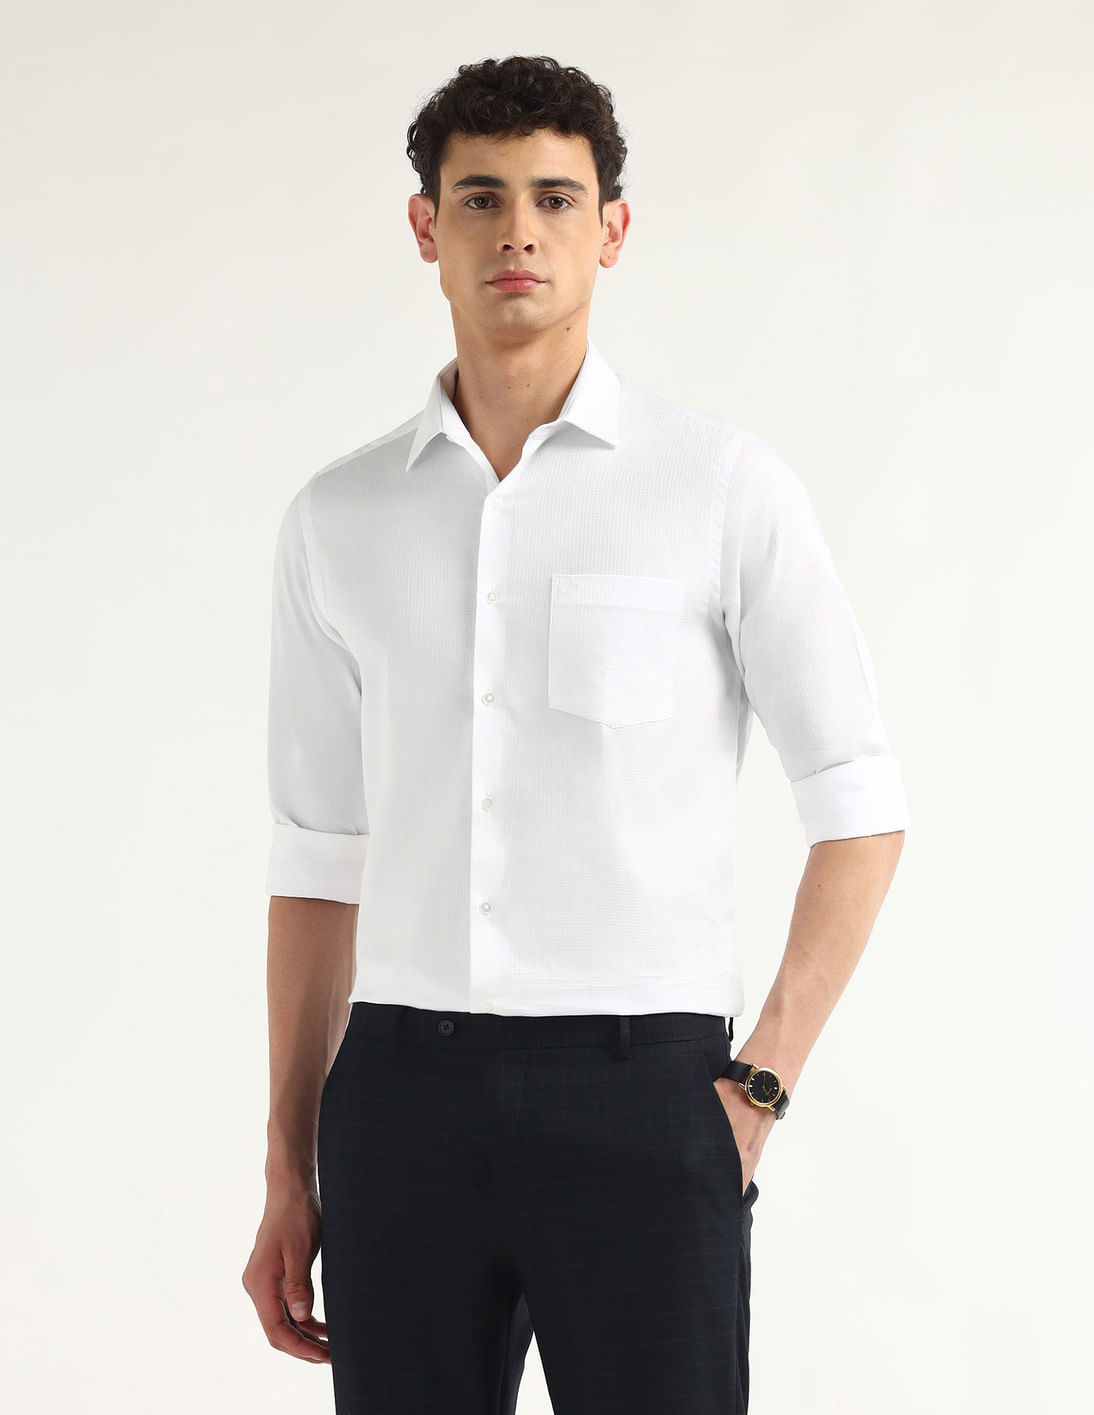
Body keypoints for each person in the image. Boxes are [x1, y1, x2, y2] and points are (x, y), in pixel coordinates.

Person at [242, 53, 908, 1415]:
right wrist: (286, 1165)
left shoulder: (719, 489)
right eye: (480, 198)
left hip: (644, 1094)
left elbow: (858, 805)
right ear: (425, 227)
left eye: (555, 198)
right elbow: (317, 860)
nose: (518, 232)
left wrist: (758, 1086)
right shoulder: (339, 519)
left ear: (612, 228)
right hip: (398, 1101)